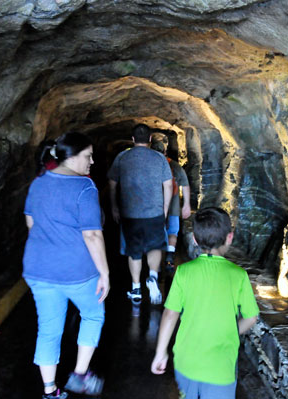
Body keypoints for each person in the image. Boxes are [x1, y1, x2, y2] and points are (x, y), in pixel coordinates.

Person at [23, 132, 110, 399]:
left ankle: (50, 391)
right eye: (87, 156)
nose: (92, 162)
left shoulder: (38, 182)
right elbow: (92, 234)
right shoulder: (84, 187)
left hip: (38, 269)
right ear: (71, 156)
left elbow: (30, 222)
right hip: (75, 272)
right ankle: (80, 375)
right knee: (93, 314)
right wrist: (105, 273)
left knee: (49, 328)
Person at [150, 207, 260, 399]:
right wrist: (229, 330)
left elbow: (170, 314)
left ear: (194, 239)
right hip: (221, 367)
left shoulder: (184, 272)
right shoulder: (239, 276)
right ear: (229, 237)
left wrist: (161, 352)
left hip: (186, 362)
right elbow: (251, 317)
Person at [107, 124, 172, 304]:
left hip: (130, 214)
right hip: (155, 212)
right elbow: (167, 185)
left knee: (134, 251)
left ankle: (136, 289)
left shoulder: (122, 157)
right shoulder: (159, 158)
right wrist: (165, 209)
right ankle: (152, 276)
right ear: (150, 139)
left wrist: (114, 207)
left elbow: (112, 184)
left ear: (133, 139)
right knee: (155, 246)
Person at [150, 133, 191, 272]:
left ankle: (158, 265)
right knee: (172, 231)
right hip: (173, 204)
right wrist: (186, 204)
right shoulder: (174, 165)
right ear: (165, 151)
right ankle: (169, 257)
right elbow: (185, 184)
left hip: (155, 206)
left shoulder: (149, 165)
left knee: (157, 233)